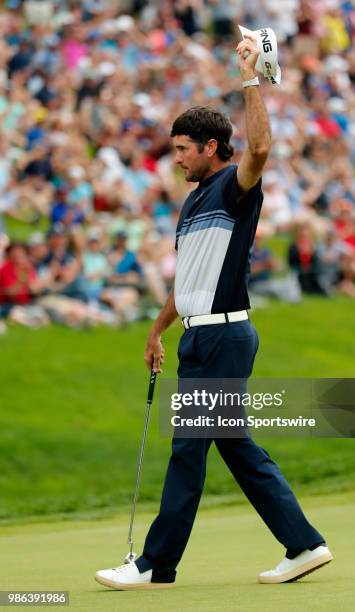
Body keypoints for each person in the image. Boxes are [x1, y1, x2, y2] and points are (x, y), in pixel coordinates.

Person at [95, 34, 333, 590]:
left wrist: (250, 79)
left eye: (183, 149)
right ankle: (304, 544)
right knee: (236, 447)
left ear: (209, 147)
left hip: (225, 337)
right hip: (197, 338)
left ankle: (156, 565)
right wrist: (157, 330)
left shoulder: (233, 186)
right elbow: (189, 279)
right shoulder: (192, 200)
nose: (175, 158)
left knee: (187, 452)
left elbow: (261, 150)